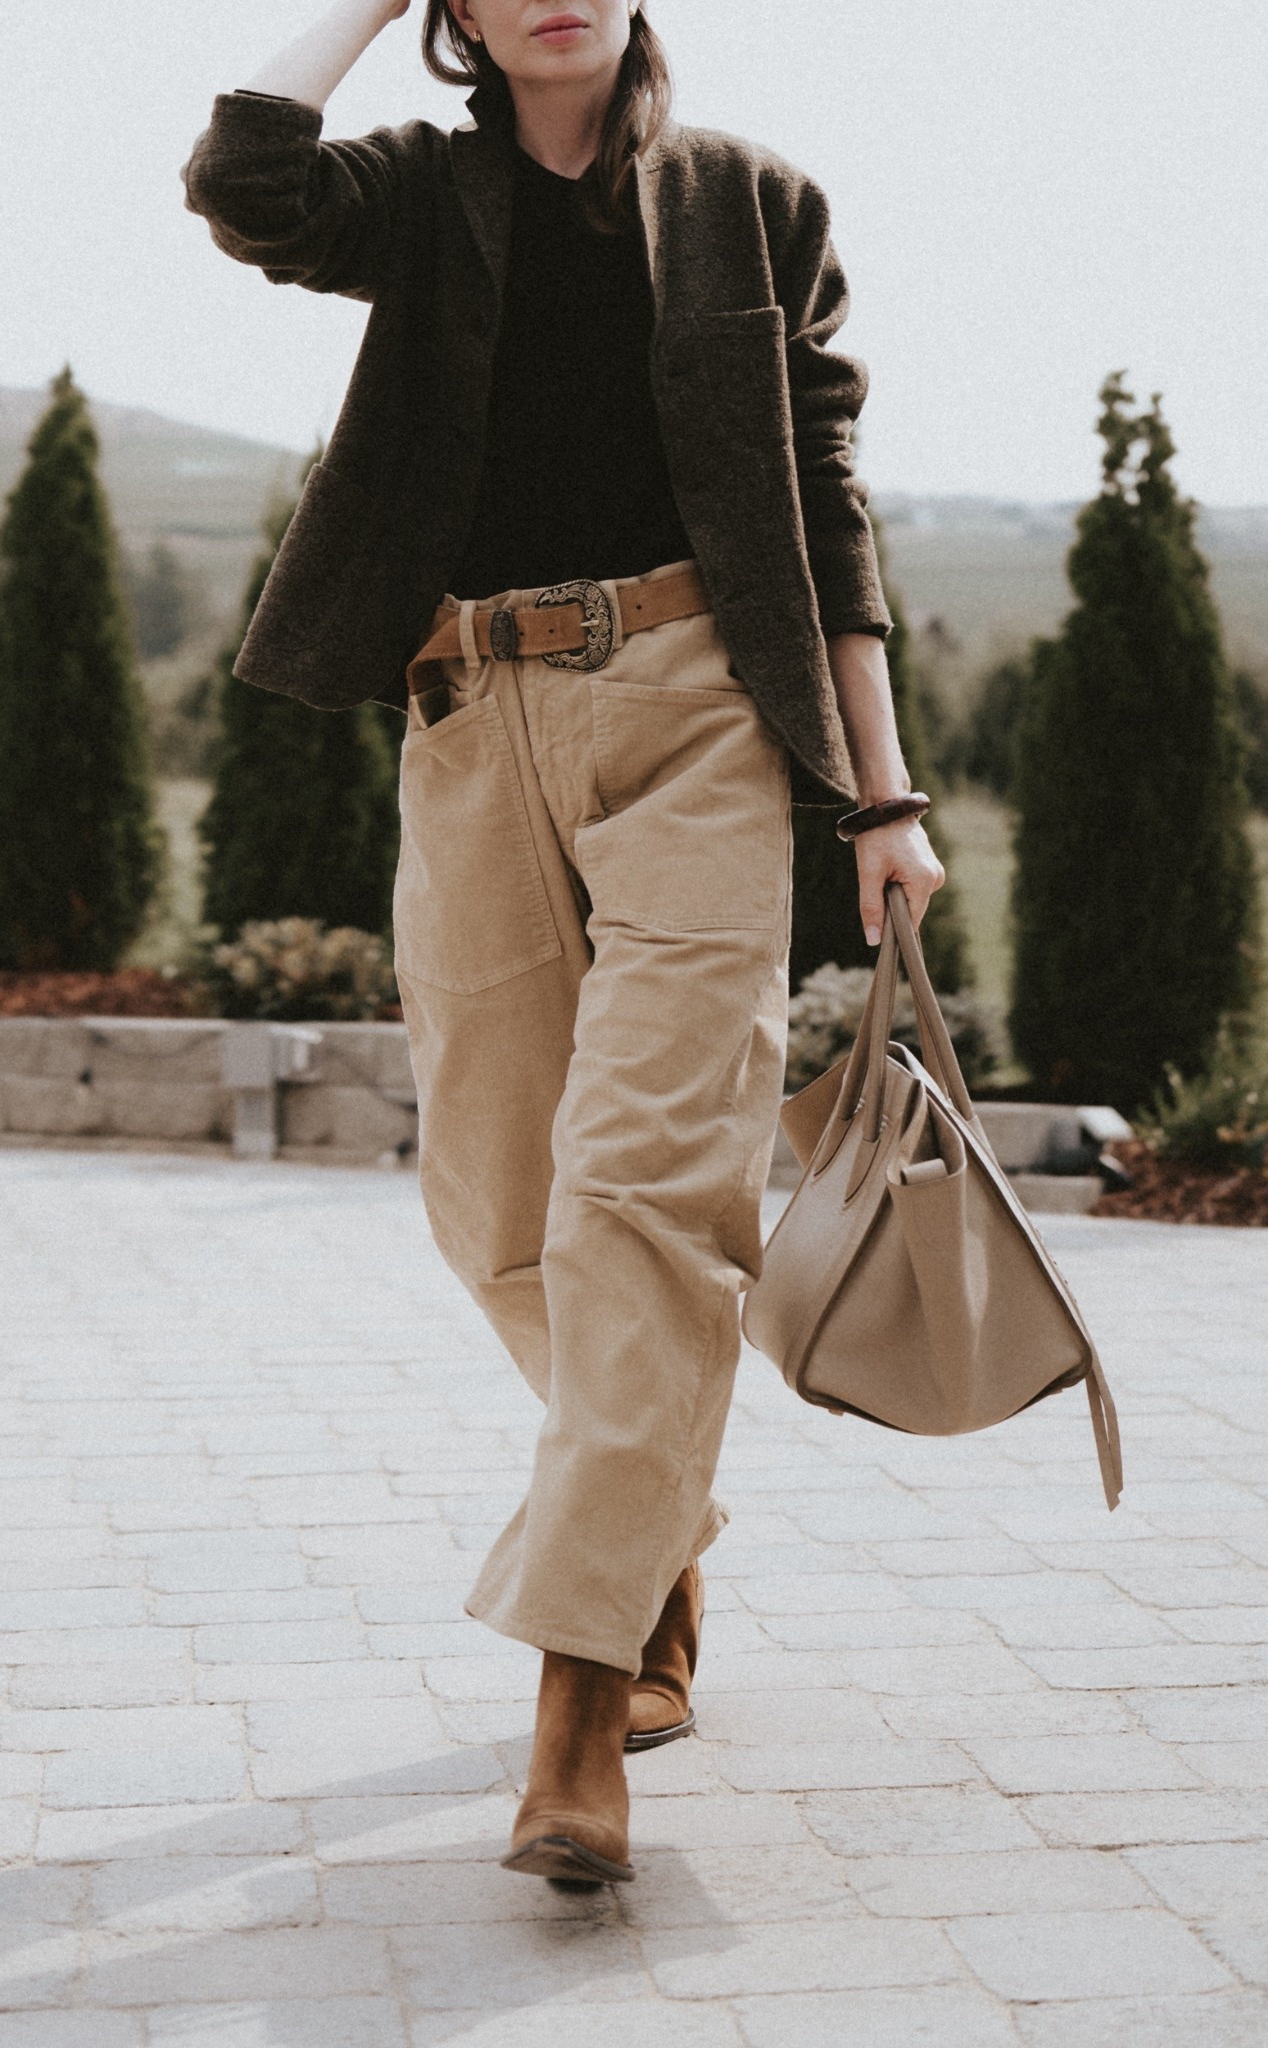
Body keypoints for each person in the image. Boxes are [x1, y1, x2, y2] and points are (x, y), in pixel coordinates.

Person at [183, 0, 945, 1888]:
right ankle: (649, 1529)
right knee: (501, 1207)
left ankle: (581, 1703)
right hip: (470, 716)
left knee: (648, 1188)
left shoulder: (750, 201)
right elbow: (246, 180)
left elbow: (826, 505)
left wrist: (885, 795)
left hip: (698, 712)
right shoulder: (415, 198)